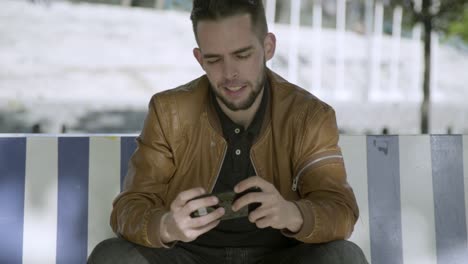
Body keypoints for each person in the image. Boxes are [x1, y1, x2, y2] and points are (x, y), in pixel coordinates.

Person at [89, 0, 368, 263]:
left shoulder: (308, 116)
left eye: (242, 55)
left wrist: (291, 213)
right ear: (199, 58)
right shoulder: (169, 111)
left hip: (280, 256)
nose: (229, 72)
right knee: (111, 256)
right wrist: (166, 226)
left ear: (268, 46)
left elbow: (340, 210)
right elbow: (129, 208)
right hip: (186, 256)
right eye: (214, 60)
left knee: (344, 257)